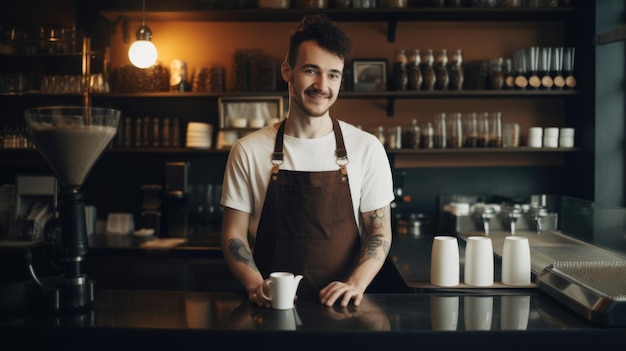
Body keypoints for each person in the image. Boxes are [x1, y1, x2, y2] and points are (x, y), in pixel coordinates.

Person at [220, 13, 394, 308]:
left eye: (333, 74)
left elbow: (379, 231)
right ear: (287, 71)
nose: (322, 85)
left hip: (344, 308)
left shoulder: (367, 148)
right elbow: (233, 235)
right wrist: (255, 286)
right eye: (311, 70)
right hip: (270, 306)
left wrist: (355, 284)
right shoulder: (247, 150)